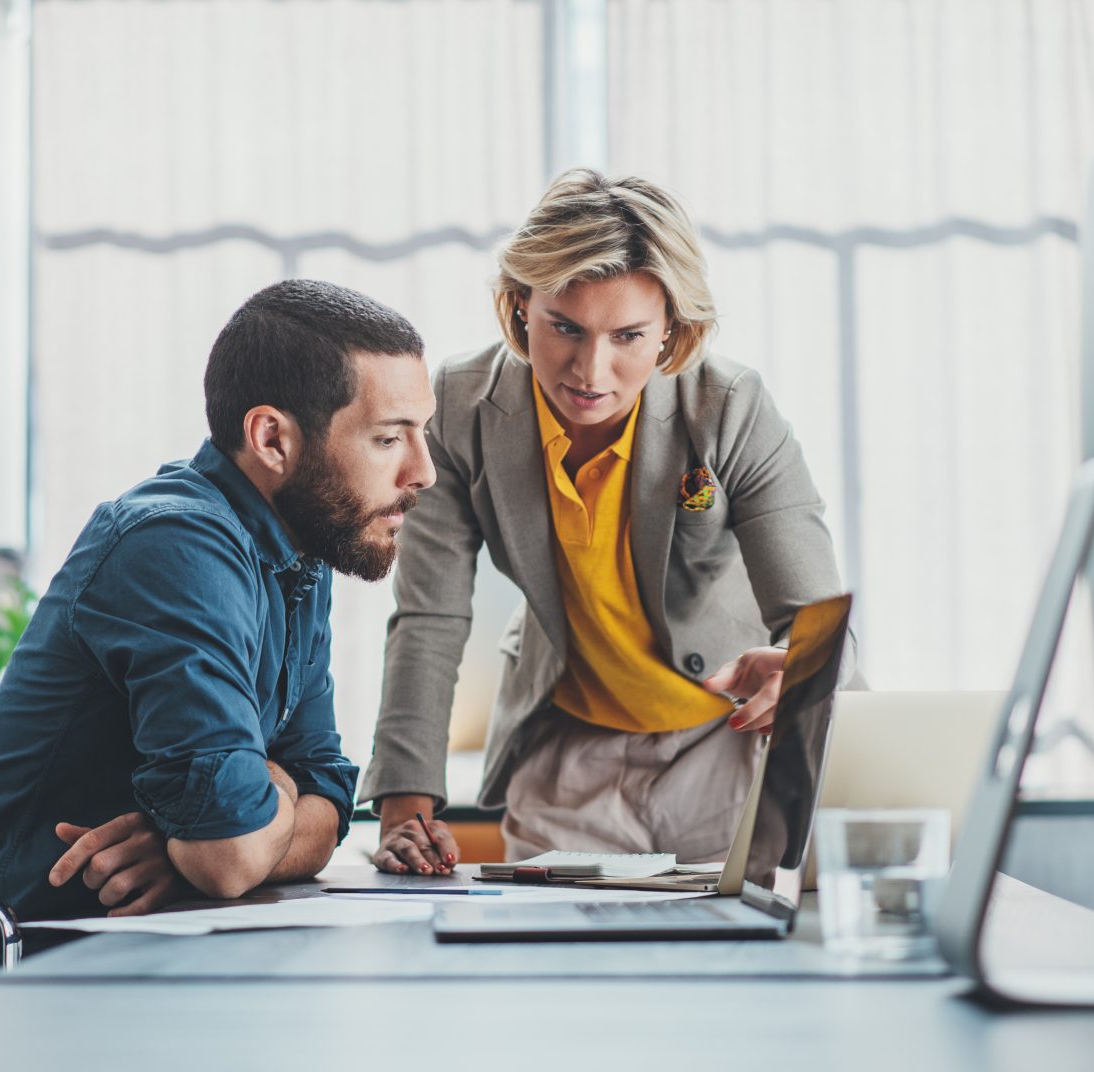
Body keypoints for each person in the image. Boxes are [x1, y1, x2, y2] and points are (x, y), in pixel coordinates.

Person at [0, 279, 436, 959]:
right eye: (389, 438)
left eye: (421, 433)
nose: (423, 471)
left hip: (130, 959)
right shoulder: (176, 547)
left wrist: (188, 841)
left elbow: (328, 791)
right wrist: (240, 821)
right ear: (272, 438)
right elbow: (228, 857)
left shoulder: (299, 556)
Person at [362, 169, 856, 886]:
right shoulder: (458, 408)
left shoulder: (729, 407)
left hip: (721, 752)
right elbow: (430, 615)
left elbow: (812, 616)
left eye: (628, 336)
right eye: (564, 327)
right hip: (567, 761)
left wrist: (800, 672)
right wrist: (405, 808)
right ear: (518, 307)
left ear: (671, 333)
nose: (591, 370)